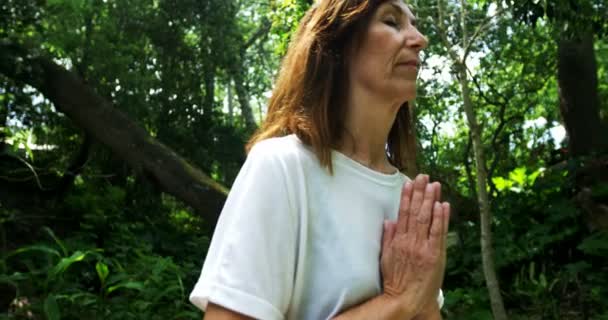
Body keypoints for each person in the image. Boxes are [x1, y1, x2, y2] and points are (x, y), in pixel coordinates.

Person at [189, 0, 451, 319]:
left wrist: (417, 301)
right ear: (336, 45)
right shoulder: (281, 166)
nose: (419, 38)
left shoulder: (412, 200)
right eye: (392, 22)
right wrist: (395, 302)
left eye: (415, 24)